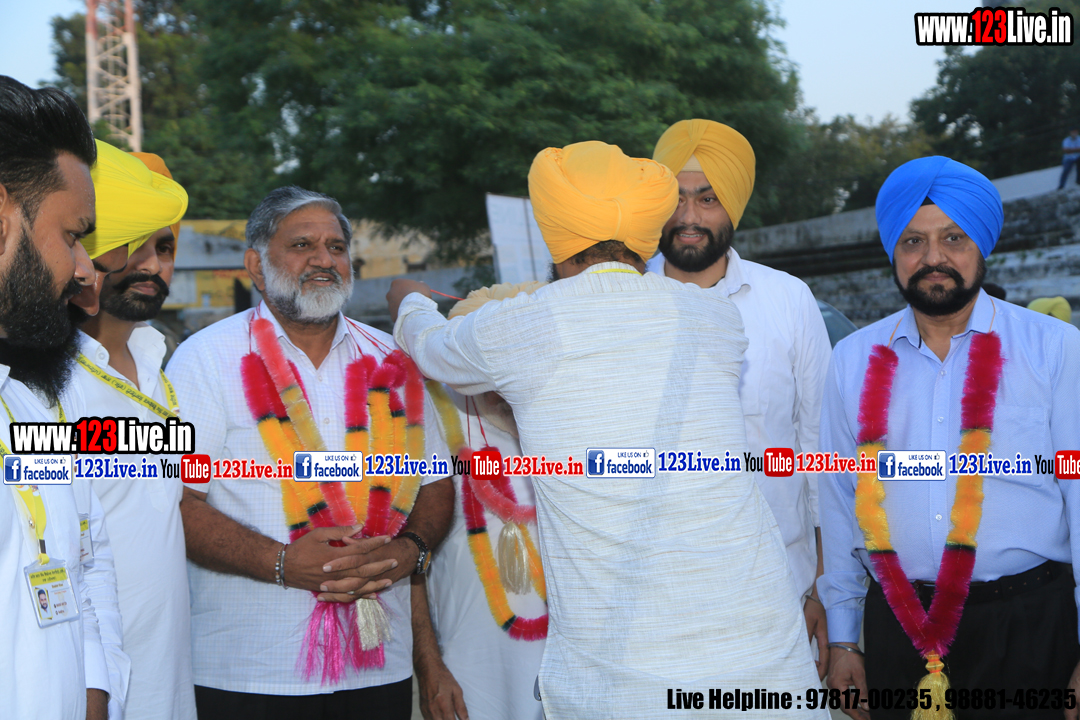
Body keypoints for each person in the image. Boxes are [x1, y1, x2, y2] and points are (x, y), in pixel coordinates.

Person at [388, 141, 823, 720]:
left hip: (625, 677)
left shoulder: (527, 324)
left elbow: (431, 348)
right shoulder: (716, 317)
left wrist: (411, 303)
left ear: (556, 234)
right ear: (647, 233)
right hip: (762, 659)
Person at [167, 185, 453, 720]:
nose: (324, 260)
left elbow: (435, 483)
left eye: (336, 247)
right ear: (256, 265)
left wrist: (408, 551)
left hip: (379, 668)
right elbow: (175, 501)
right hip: (249, 671)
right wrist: (280, 563)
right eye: (302, 245)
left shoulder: (392, 358)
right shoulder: (204, 359)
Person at [819, 155, 1080, 720]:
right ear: (893, 252)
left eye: (953, 238)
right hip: (897, 627)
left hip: (1029, 628)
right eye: (913, 241)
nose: (933, 257)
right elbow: (838, 500)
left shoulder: (1054, 348)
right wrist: (844, 640)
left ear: (982, 246)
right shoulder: (852, 359)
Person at [648, 119, 833, 674]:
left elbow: (822, 450)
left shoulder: (787, 299)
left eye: (707, 199)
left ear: (733, 206)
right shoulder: (623, 299)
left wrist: (824, 588)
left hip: (781, 590)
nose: (689, 217)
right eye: (676, 198)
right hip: (658, 599)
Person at [0, 74, 121, 720]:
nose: (84, 271)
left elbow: (83, 552)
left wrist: (93, 688)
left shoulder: (25, 402)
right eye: (73, 236)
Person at [64, 143, 194, 720]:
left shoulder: (161, 364)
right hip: (87, 686)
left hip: (168, 681)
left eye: (163, 247)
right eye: (133, 243)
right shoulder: (45, 380)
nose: (150, 265)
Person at [413, 282, 548, 720]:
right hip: (472, 677)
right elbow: (410, 555)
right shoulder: (438, 412)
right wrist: (429, 664)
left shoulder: (577, 420)